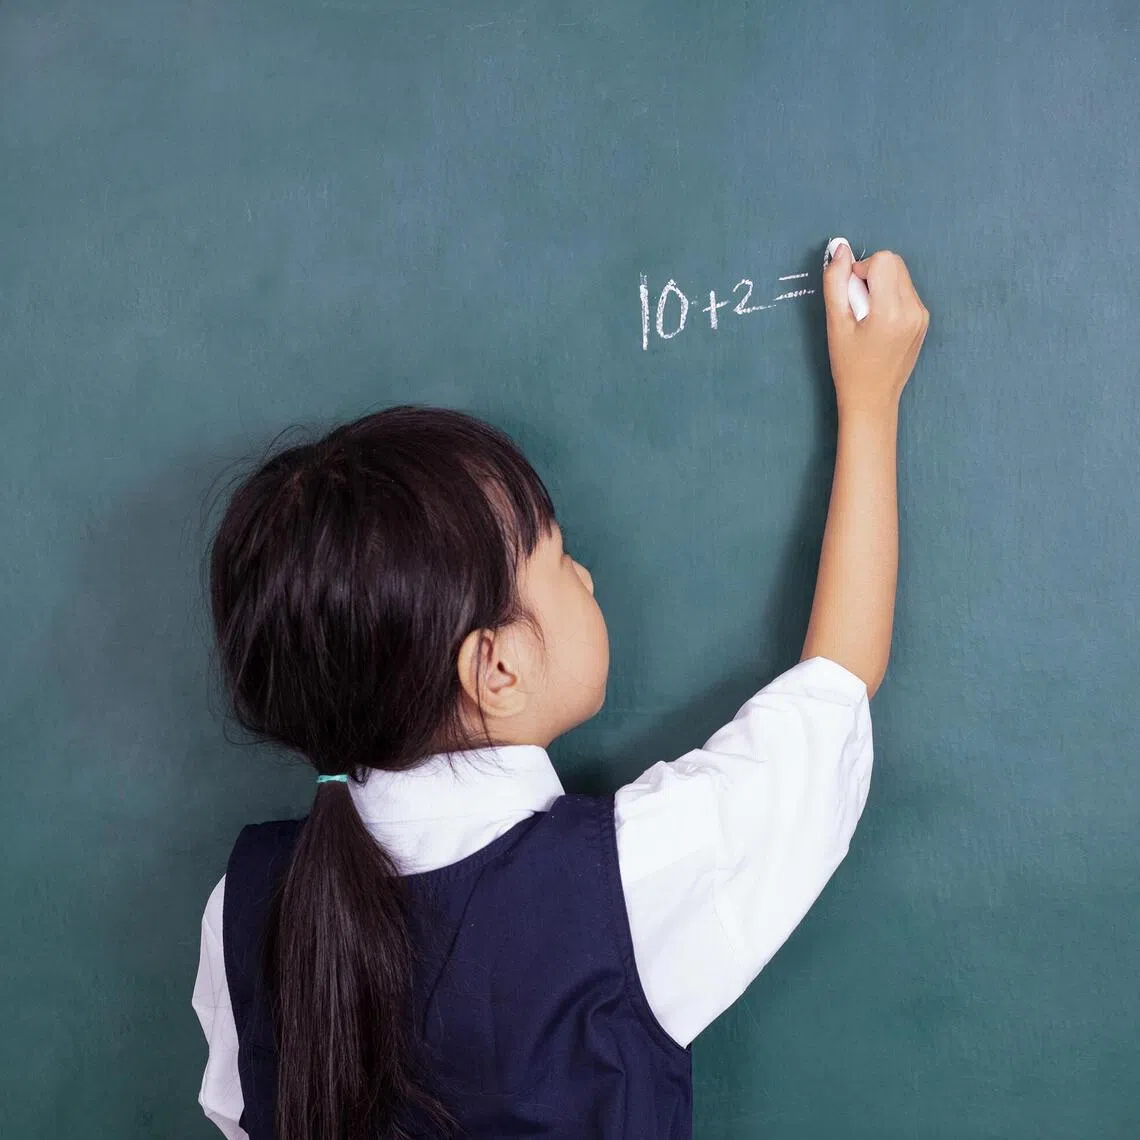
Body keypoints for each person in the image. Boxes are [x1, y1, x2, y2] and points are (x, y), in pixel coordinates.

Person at [192, 239, 930, 1140]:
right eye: (556, 555)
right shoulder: (626, 881)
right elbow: (833, 692)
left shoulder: (244, 905)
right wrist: (871, 405)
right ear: (496, 669)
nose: (585, 574)